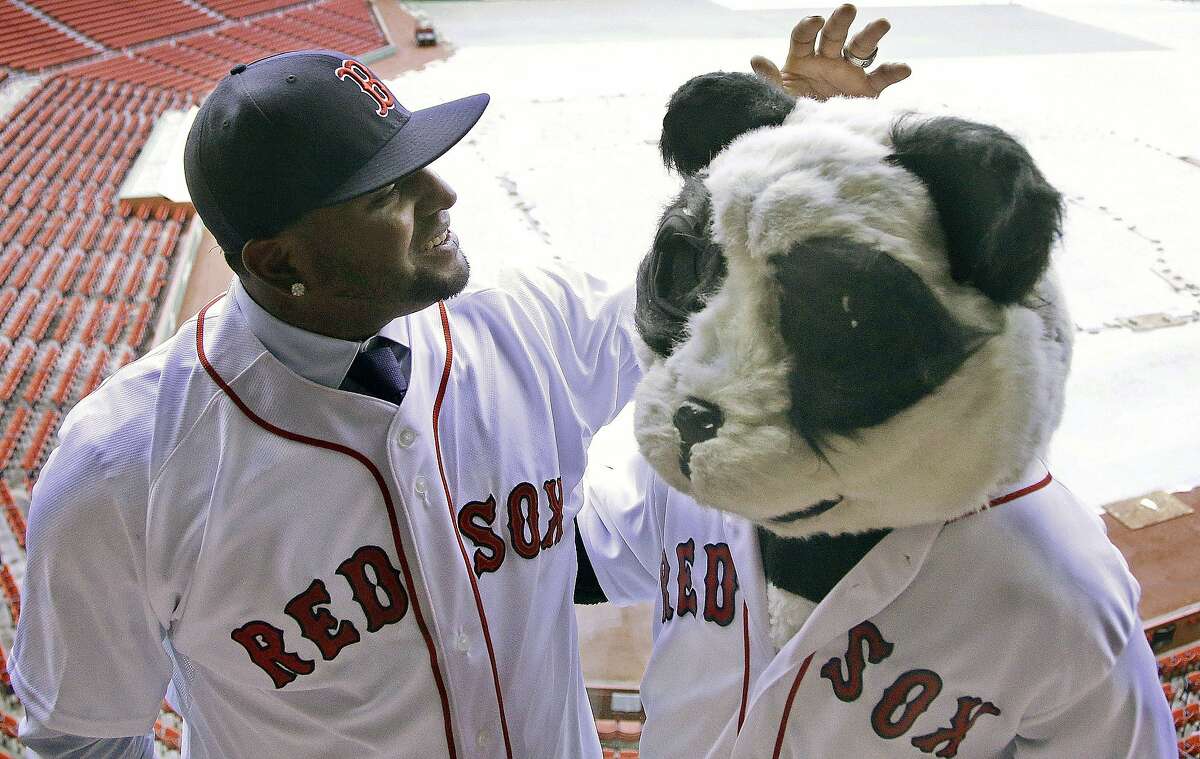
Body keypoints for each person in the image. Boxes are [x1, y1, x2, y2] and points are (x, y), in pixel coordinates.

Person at [9, 8, 910, 757]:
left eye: (417, 162)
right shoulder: (125, 468)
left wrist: (801, 147)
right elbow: (85, 738)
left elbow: (710, 297)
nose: (440, 194)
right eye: (384, 195)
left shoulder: (526, 325)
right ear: (281, 261)